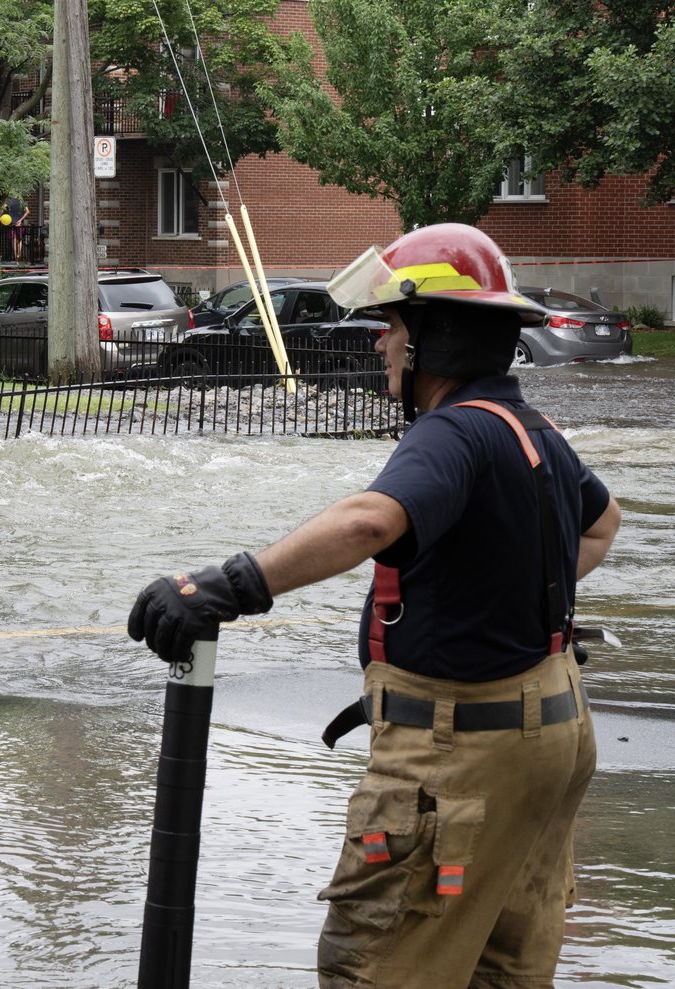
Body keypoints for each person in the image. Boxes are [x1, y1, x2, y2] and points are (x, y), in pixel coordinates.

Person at [127, 223, 622, 989]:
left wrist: (228, 584)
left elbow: (368, 521)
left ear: (433, 335)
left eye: (391, 326)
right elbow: (602, 523)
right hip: (550, 742)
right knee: (499, 969)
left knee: (377, 965)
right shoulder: (534, 429)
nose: (380, 346)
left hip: (457, 765)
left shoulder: (451, 433)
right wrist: (505, 599)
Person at [4, 193, 30, 263]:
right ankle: (19, 255)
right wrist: (20, 220)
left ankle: (16, 259)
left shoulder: (9, 201)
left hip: (11, 222)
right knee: (20, 240)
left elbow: (3, 208)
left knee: (14, 240)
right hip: (19, 223)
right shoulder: (22, 201)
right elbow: (27, 211)